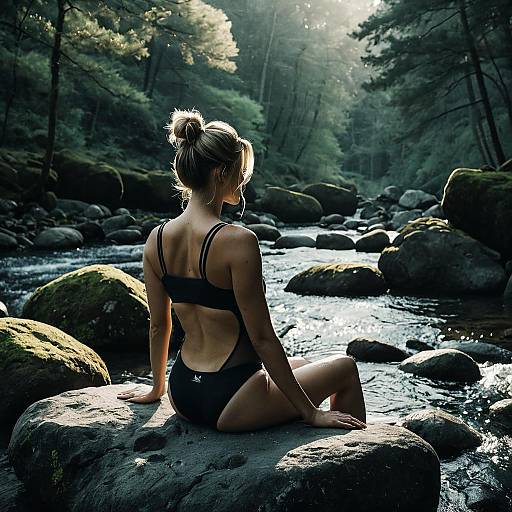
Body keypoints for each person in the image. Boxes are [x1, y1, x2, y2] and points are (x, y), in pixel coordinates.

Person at [117, 108, 367, 432]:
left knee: (304, 365)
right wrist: (312, 414)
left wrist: (156, 389)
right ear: (221, 172)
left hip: (183, 393)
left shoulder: (156, 239)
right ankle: (357, 465)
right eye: (240, 171)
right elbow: (262, 338)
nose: (243, 180)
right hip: (231, 399)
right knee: (345, 367)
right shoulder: (238, 241)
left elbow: (158, 326)